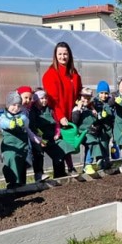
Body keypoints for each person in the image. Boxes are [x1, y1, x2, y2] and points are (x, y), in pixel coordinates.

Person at [42, 42, 82, 174]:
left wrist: (80, 103)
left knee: (70, 142)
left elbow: (78, 92)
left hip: (71, 114)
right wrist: (60, 116)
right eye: (60, 54)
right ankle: (60, 174)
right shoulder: (51, 74)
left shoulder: (73, 73)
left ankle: (71, 168)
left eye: (65, 54)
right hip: (58, 116)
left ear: (69, 55)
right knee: (59, 144)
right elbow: (53, 100)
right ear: (55, 55)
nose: (63, 57)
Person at [27, 89, 69, 179]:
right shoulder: (32, 111)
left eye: (46, 98)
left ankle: (60, 174)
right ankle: (39, 174)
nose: (44, 100)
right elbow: (32, 125)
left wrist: (57, 133)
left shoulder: (50, 110)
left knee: (61, 148)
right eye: (42, 98)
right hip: (39, 138)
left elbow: (56, 123)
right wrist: (39, 137)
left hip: (52, 137)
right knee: (38, 152)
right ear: (36, 99)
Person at [0, 91, 29, 189]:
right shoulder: (4, 116)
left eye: (19, 105)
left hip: (21, 143)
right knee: (11, 159)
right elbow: (1, 122)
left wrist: (22, 122)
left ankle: (22, 182)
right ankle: (13, 182)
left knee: (21, 161)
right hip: (9, 145)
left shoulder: (22, 115)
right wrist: (9, 124)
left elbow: (26, 121)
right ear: (7, 105)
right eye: (13, 105)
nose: (16, 108)